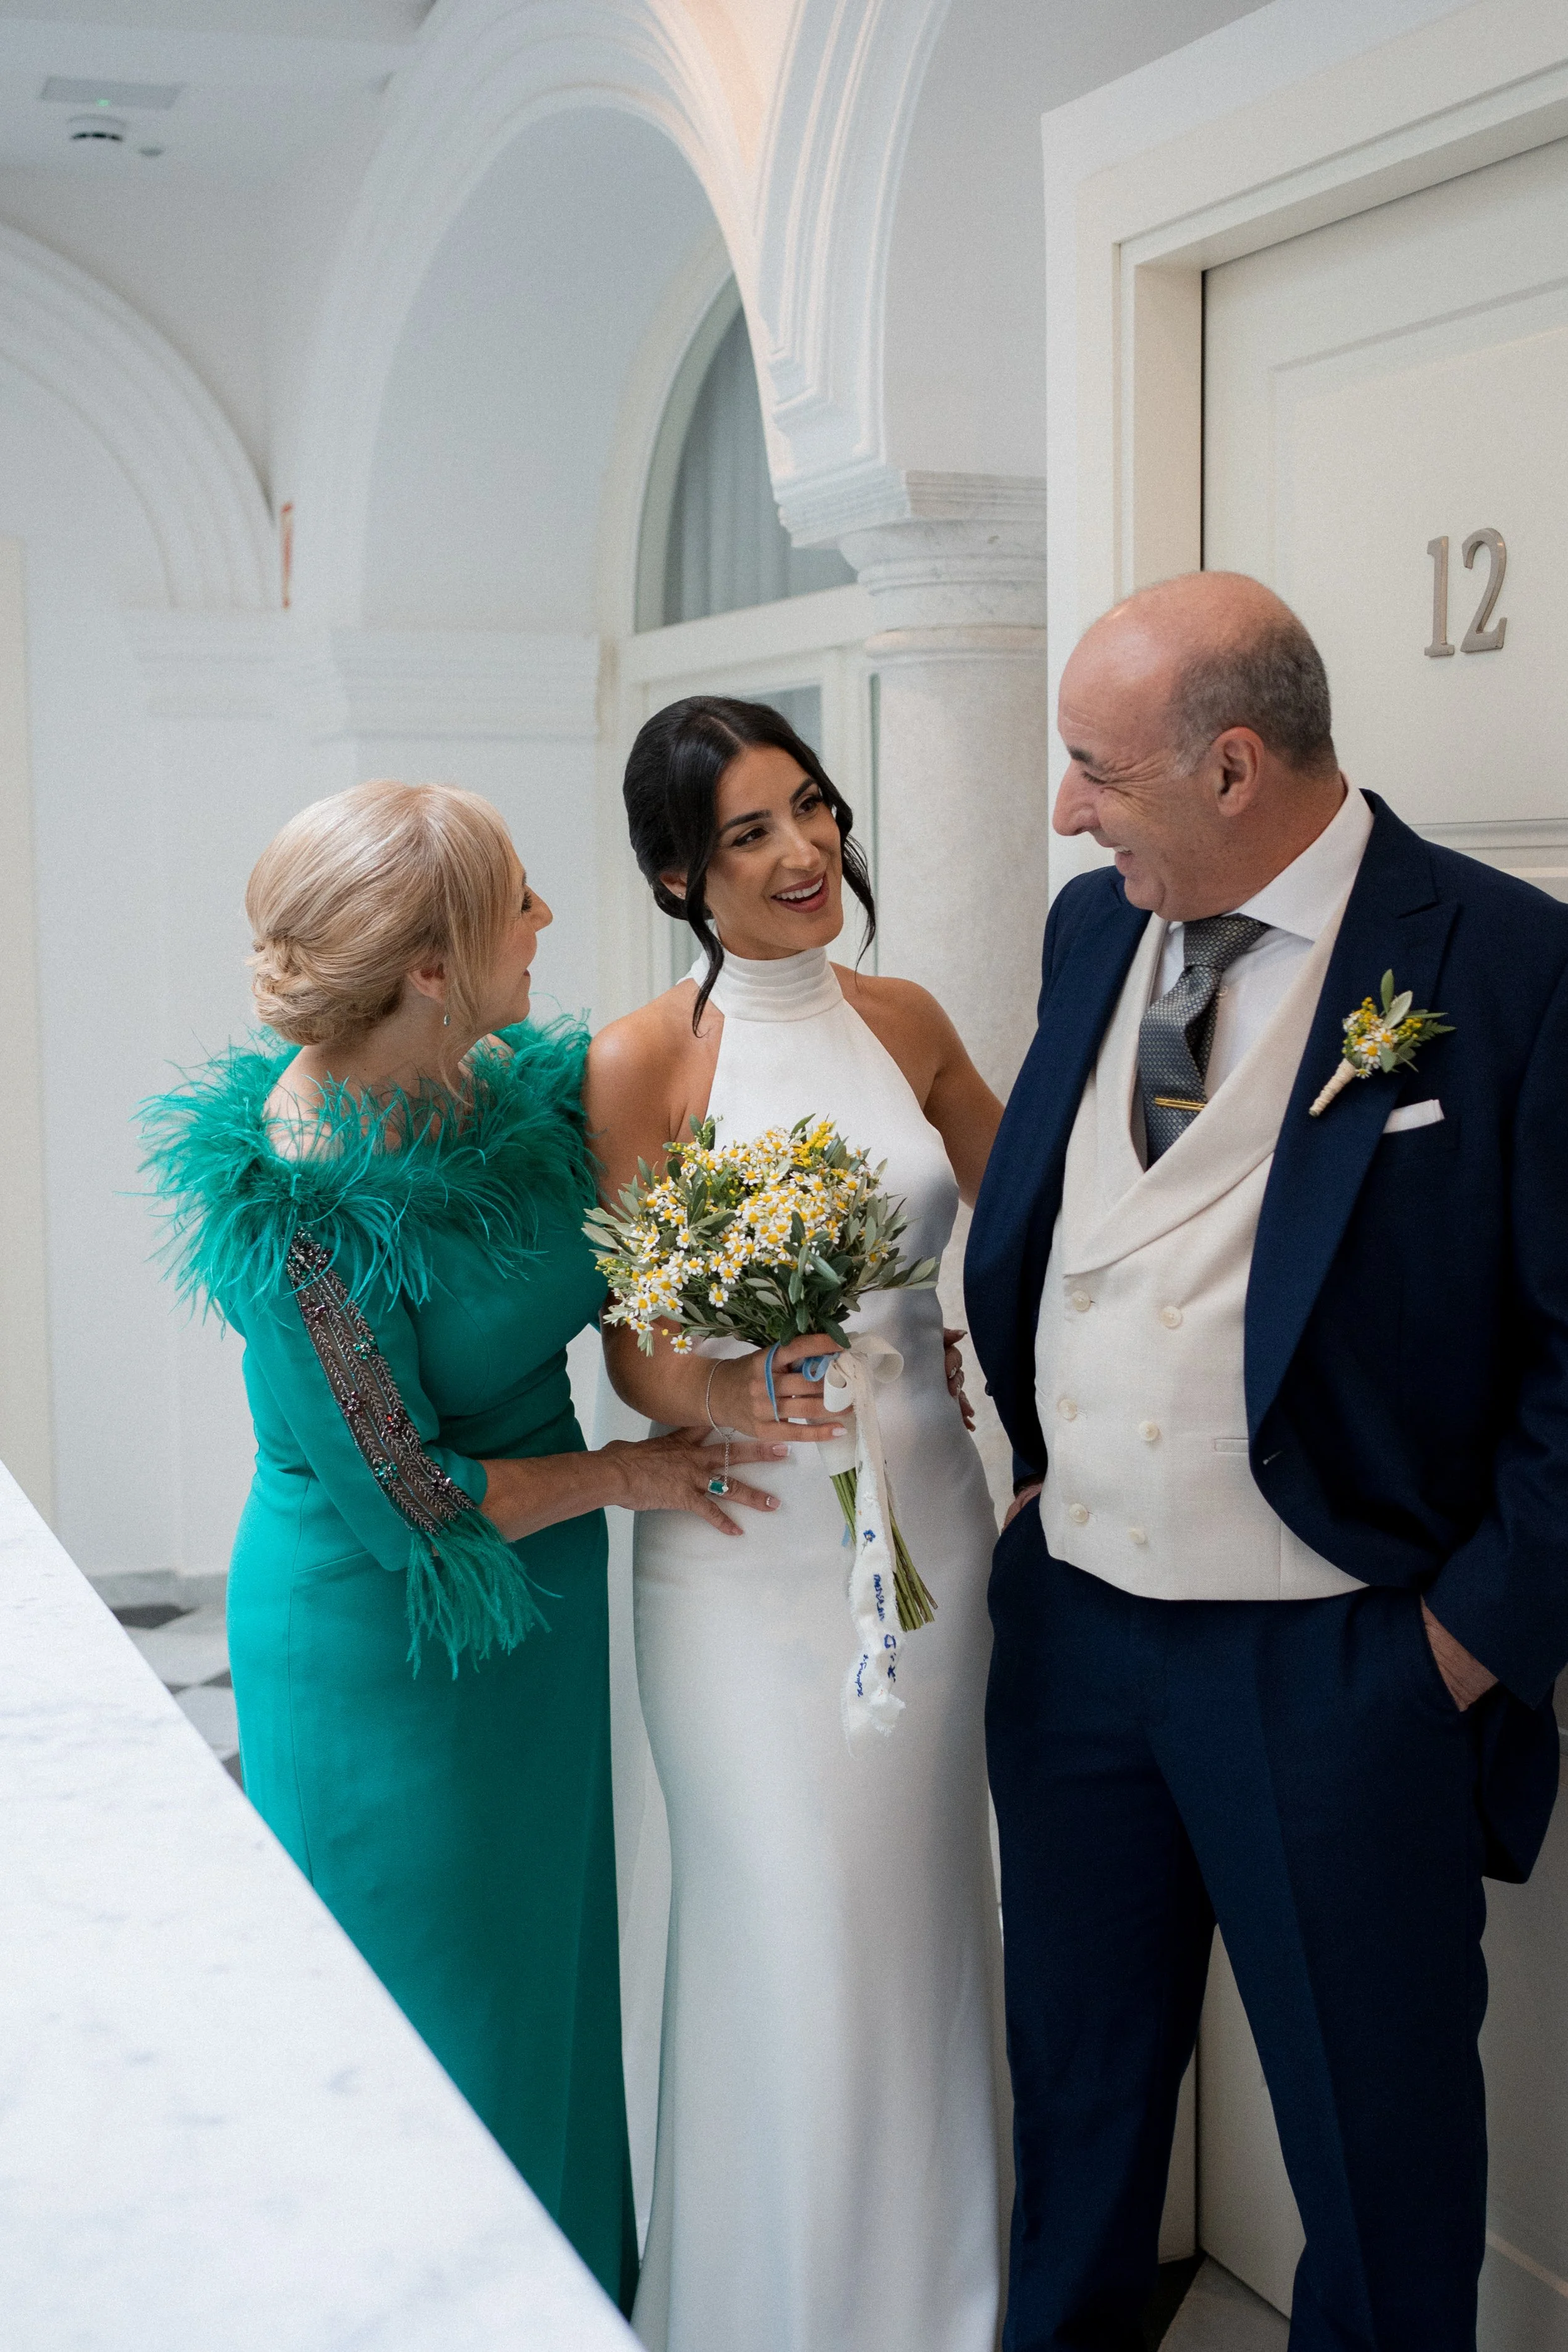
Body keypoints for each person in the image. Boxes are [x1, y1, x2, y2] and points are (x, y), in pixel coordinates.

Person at [966, 571, 1568, 2351]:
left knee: (1375, 2160)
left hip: (1337, 1659)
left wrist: (1457, 1643)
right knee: (1074, 2108)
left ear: (1233, 766)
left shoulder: (1507, 964)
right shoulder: (1095, 927)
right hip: (1073, 1632)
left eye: (1094, 767)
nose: (1064, 808)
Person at [141, 779, 788, 2311]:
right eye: (518, 903)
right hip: (384, 1643)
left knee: (551, 1994)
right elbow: (413, 1497)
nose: (547, 923)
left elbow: (685, 1063)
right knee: (436, 2026)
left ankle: (569, 2307)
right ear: (430, 967)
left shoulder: (517, 1079)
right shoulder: (293, 1209)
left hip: (537, 1623)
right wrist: (632, 1471)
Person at [585, 697, 1010, 2352]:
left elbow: (1038, 1220)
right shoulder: (643, 1058)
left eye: (811, 806)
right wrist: (736, 1396)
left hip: (926, 1525)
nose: (802, 849)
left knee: (914, 1909)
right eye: (750, 831)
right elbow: (636, 1345)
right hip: (743, 1534)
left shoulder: (905, 1016)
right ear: (681, 876)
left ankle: (941, 2301)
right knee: (788, 1912)